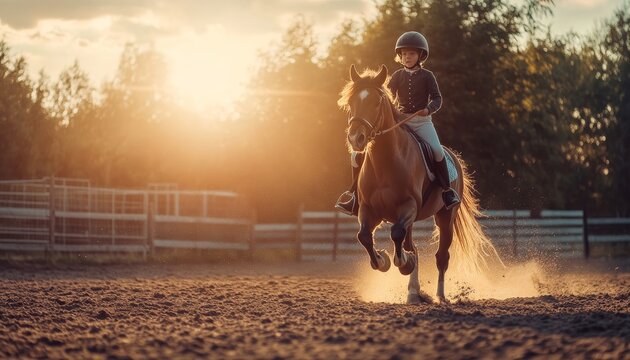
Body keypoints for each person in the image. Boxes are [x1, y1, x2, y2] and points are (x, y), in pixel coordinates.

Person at [335, 31, 460, 216]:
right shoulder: (396, 76)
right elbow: (385, 98)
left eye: (411, 54)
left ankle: (447, 191)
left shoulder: (428, 76)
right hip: (400, 122)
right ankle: (354, 196)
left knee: (437, 150)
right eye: (403, 54)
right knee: (355, 155)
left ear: (420, 56)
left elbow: (437, 99)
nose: (406, 57)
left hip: (422, 121)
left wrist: (428, 109)